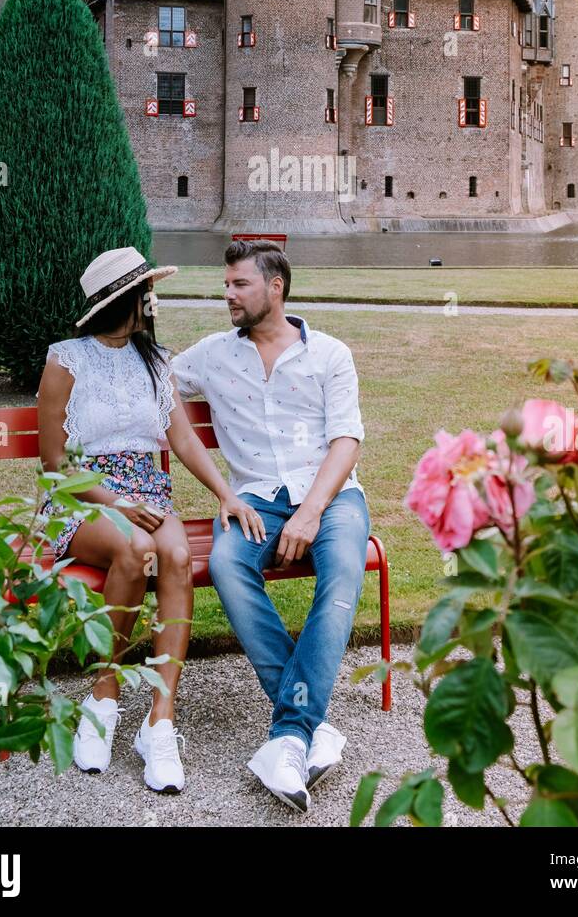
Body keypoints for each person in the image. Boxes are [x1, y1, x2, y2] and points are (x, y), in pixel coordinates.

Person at [37, 246, 265, 794]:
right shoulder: (65, 359)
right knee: (134, 549)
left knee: (178, 555)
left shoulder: (156, 361)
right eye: (146, 293)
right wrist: (112, 503)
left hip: (146, 491)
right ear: (130, 300)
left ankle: (160, 722)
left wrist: (224, 493)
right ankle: (104, 695)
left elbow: (181, 438)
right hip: (81, 495)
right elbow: (53, 462)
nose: (153, 301)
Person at [172, 239, 369, 814]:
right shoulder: (210, 355)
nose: (226, 294)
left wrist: (311, 510)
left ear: (275, 287)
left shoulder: (330, 353)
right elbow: (151, 376)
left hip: (331, 498)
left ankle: (288, 733)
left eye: (239, 284)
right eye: (226, 284)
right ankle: (306, 728)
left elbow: (346, 440)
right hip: (254, 500)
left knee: (339, 583)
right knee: (229, 564)